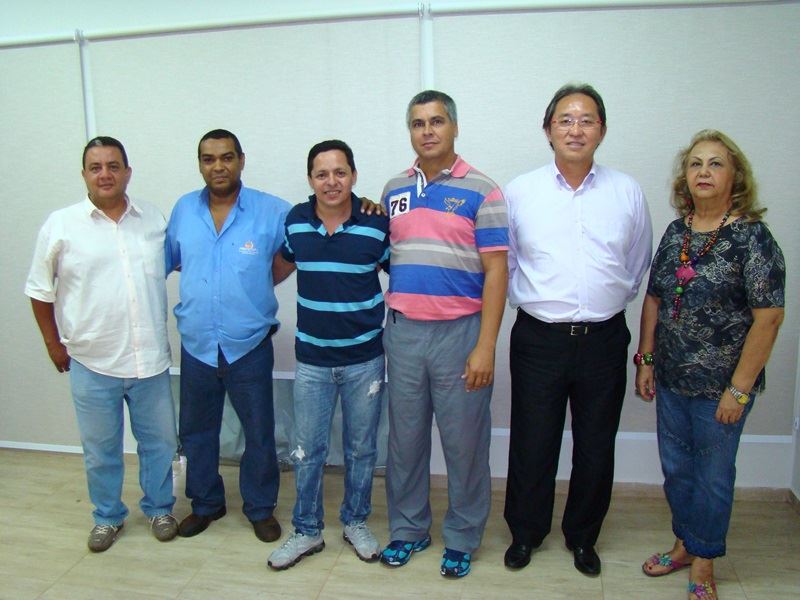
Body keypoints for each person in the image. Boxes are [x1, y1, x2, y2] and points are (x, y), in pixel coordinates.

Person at [503, 83, 653, 576]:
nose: (575, 128)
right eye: (565, 119)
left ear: (602, 130)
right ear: (548, 130)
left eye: (586, 119)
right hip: (538, 339)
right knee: (532, 441)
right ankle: (525, 533)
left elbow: (635, 267)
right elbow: (506, 264)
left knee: (595, 444)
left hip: (604, 340)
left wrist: (602, 304)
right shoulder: (520, 191)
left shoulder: (627, 191)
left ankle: (583, 537)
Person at [636, 130, 784, 600]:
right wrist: (646, 359)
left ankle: (704, 562)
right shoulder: (677, 232)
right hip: (672, 378)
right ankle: (683, 543)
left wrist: (738, 389)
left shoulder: (751, 238)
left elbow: (770, 316)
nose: (703, 172)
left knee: (714, 476)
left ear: (734, 176)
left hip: (722, 387)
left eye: (716, 164)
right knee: (677, 469)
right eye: (696, 163)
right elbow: (655, 298)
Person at [25, 136, 179, 552]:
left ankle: (160, 507)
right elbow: (40, 291)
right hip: (92, 361)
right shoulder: (61, 224)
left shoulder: (154, 220)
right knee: (100, 450)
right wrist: (53, 344)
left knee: (161, 443)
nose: (105, 174)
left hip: (149, 360)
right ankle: (108, 516)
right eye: (96, 167)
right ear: (84, 175)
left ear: (128, 171)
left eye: (113, 165)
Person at [379, 90, 508, 578]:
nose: (427, 131)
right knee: (405, 442)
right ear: (409, 131)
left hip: (461, 335)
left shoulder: (483, 190)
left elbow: (498, 273)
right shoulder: (394, 189)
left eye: (436, 122)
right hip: (405, 334)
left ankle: (462, 536)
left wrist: (486, 347)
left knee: (464, 444)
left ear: (454, 127)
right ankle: (409, 530)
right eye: (417, 123)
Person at [266, 139, 390, 570]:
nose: (331, 181)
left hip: (365, 361)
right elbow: (275, 270)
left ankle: (356, 521)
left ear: (354, 176)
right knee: (307, 450)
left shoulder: (378, 224)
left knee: (361, 449)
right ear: (310, 180)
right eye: (322, 173)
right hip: (313, 361)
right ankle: (306, 530)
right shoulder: (296, 222)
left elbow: (406, 275)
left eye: (340, 172)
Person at [166, 129, 290, 542]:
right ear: (200, 163)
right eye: (208, 159)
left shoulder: (272, 211)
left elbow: (302, 242)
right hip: (197, 343)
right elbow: (172, 261)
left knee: (258, 433)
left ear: (241, 159)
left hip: (248, 344)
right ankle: (206, 504)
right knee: (197, 430)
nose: (217, 166)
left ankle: (259, 508)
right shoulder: (184, 209)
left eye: (226, 157)